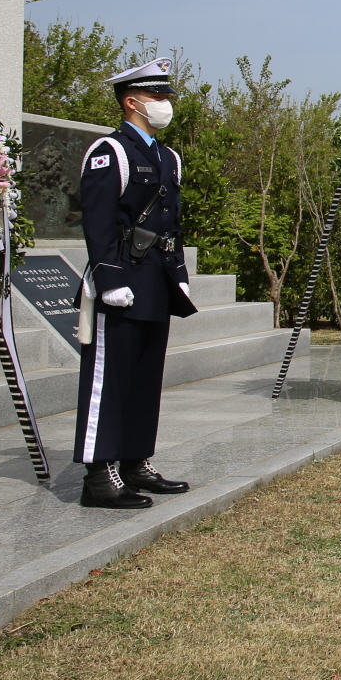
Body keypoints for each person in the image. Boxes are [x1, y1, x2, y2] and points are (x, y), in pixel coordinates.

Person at [73, 58, 199, 509]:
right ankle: (100, 476)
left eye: (166, 96)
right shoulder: (111, 151)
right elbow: (100, 220)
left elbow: (172, 224)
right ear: (133, 101)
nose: (165, 104)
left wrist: (179, 277)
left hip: (155, 279)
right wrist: (108, 277)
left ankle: (135, 462)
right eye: (158, 96)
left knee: (146, 376)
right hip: (122, 278)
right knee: (111, 376)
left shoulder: (167, 156)